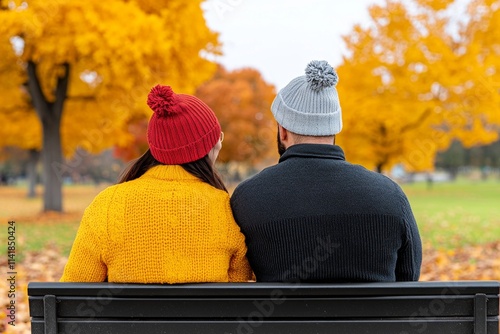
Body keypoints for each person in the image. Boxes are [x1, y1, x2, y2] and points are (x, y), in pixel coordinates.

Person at [230, 60, 422, 283]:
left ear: (283, 131)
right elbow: (408, 278)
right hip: (370, 319)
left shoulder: (247, 198)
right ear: (334, 129)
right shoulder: (390, 194)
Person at [61, 84, 253, 283]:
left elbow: (73, 289)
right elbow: (238, 285)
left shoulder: (107, 206)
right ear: (209, 148)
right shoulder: (225, 208)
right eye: (218, 138)